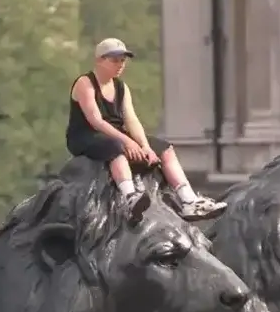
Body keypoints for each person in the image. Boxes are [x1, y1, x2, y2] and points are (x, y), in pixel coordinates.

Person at [66, 37, 227, 222]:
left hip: (116, 134)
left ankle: (189, 200)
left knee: (165, 149)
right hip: (87, 136)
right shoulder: (85, 83)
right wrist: (127, 142)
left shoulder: (121, 87)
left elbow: (131, 119)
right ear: (100, 60)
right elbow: (96, 120)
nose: (120, 65)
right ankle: (130, 198)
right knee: (115, 148)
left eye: (122, 60)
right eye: (115, 60)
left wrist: (144, 146)